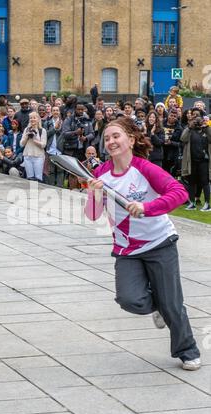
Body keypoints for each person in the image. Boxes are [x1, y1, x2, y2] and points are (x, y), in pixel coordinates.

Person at [84, 117, 201, 371]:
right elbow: (92, 215)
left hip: (160, 242)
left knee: (172, 304)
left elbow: (179, 192)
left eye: (116, 136)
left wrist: (147, 207)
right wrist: (94, 193)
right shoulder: (101, 174)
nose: (111, 141)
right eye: (107, 138)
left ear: (131, 140)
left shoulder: (144, 168)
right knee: (130, 300)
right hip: (127, 249)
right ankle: (156, 304)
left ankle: (187, 350)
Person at [181, 109, 211, 212]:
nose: (196, 119)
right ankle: (192, 203)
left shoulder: (206, 129)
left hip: (204, 161)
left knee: (205, 182)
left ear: (202, 118)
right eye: (194, 117)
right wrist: (189, 127)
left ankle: (207, 204)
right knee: (191, 182)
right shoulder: (189, 129)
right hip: (192, 161)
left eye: (198, 117)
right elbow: (183, 139)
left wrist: (206, 127)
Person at [20, 112, 47, 182]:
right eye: (31, 118)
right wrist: (27, 136)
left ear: (38, 119)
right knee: (29, 178)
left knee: (38, 178)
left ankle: (38, 192)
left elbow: (43, 145)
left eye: (34, 118)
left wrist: (34, 139)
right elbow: (21, 144)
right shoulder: (26, 129)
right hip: (27, 155)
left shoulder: (42, 131)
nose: (32, 119)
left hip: (38, 156)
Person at [45, 106, 64, 187]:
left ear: (59, 112)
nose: (55, 112)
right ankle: (51, 187)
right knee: (51, 170)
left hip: (60, 149)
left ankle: (60, 187)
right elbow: (46, 134)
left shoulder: (63, 122)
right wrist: (54, 128)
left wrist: (58, 127)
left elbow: (64, 134)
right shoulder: (47, 123)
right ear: (51, 112)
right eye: (54, 110)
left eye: (57, 110)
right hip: (50, 150)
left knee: (60, 170)